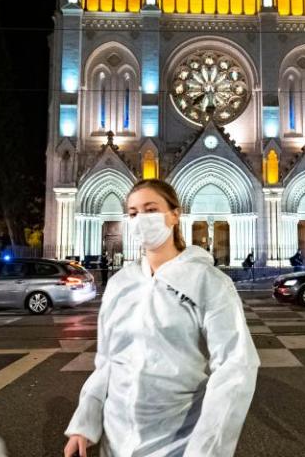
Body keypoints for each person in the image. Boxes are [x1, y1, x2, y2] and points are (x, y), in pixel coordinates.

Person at [64, 179, 259, 457]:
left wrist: (206, 450)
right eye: (133, 213)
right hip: (116, 442)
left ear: (175, 214)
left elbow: (235, 367)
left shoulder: (209, 281)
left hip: (178, 443)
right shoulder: (121, 283)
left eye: (150, 209)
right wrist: (85, 423)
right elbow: (107, 361)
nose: (141, 219)